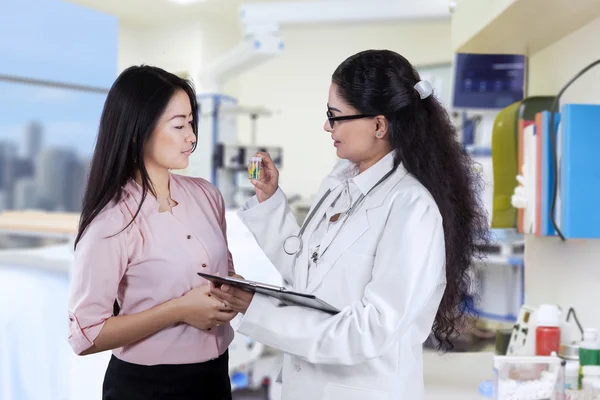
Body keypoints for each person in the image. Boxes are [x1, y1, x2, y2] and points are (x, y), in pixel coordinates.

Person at [210, 49, 490, 400]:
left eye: (335, 116)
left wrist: (256, 310)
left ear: (378, 124)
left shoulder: (411, 207)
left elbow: (369, 330)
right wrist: (270, 202)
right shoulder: (339, 181)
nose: (328, 126)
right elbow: (306, 274)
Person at [67, 65, 239, 400]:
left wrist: (233, 293)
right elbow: (86, 335)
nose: (191, 136)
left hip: (215, 377)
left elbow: (225, 274)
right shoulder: (112, 221)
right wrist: (178, 310)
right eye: (178, 125)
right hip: (148, 387)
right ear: (137, 132)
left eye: (191, 122)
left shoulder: (207, 195)